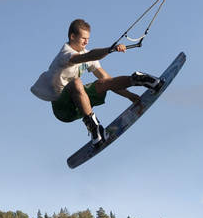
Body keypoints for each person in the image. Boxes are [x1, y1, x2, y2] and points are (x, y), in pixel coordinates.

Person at [31, 19, 163, 147]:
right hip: (62, 108)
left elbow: (107, 79)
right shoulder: (65, 54)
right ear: (72, 36)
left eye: (88, 38)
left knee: (102, 82)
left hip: (80, 101)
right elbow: (87, 57)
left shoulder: (86, 54)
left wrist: (129, 96)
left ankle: (139, 79)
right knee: (76, 82)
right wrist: (110, 49)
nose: (86, 42)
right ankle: (95, 128)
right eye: (83, 38)